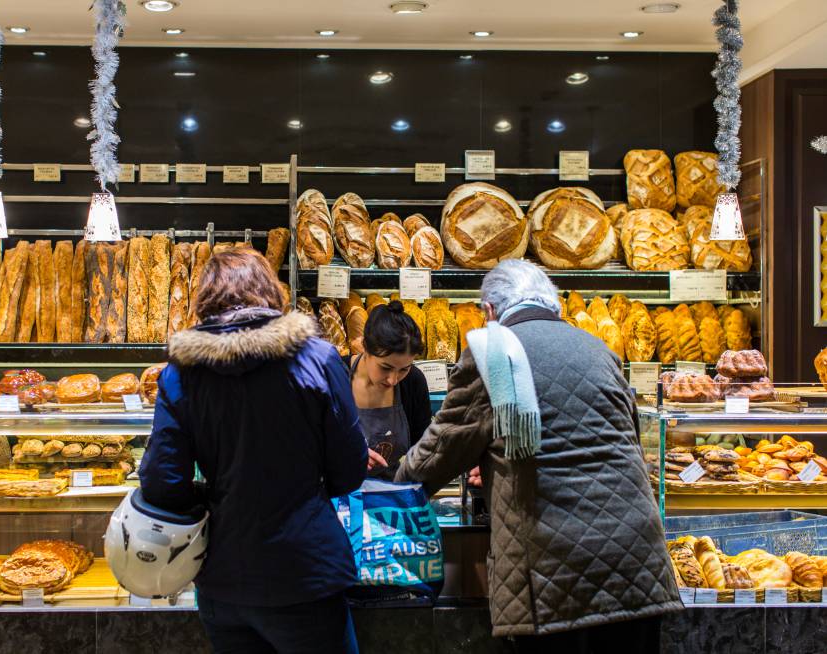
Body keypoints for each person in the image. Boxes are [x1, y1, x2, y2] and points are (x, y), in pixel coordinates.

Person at [395, 259, 681, 653]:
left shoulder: (491, 352)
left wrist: (386, 493)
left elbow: (439, 452)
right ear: (553, 304)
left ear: (490, 311)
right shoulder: (599, 348)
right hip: (639, 561)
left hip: (554, 571)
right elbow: (621, 438)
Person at [139, 249, 367, 654]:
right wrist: (305, 490)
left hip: (224, 577)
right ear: (270, 292)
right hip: (306, 570)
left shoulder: (180, 374)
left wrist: (216, 498)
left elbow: (162, 483)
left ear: (205, 300)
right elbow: (350, 469)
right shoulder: (317, 358)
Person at [345, 301, 432, 479]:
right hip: (337, 490)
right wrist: (342, 452)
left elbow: (422, 450)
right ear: (365, 347)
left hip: (389, 489)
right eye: (385, 367)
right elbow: (305, 444)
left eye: (404, 369)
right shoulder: (334, 376)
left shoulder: (413, 382)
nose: (393, 380)